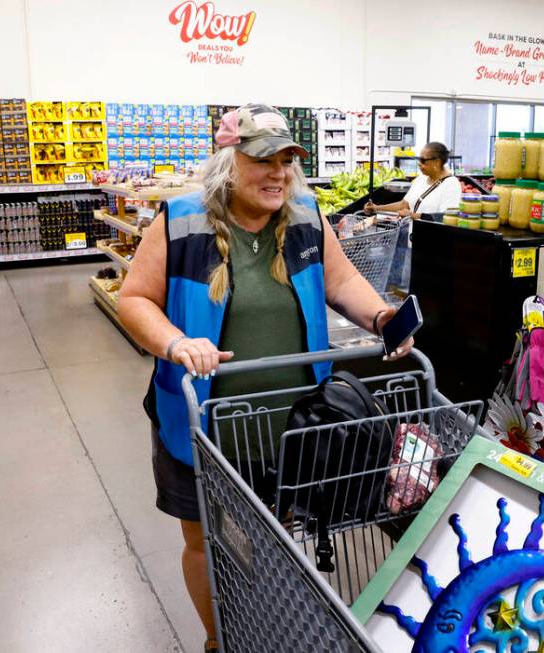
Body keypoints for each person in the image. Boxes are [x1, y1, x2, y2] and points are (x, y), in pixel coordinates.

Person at [117, 104, 413, 653]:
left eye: (287, 160)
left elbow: (342, 279)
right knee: (205, 541)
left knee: (276, 537)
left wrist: (380, 317)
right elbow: (134, 299)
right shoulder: (181, 220)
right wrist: (176, 342)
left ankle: (268, 625)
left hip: (291, 428)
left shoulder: (304, 216)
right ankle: (220, 640)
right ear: (229, 162)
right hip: (202, 430)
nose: (278, 172)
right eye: (263, 160)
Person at [364, 141, 461, 219]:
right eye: (419, 159)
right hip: (412, 236)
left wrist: (413, 216)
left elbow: (446, 217)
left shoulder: (451, 185)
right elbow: (404, 205)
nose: (419, 163)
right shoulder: (421, 178)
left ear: (437, 162)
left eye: (423, 160)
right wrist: (376, 208)